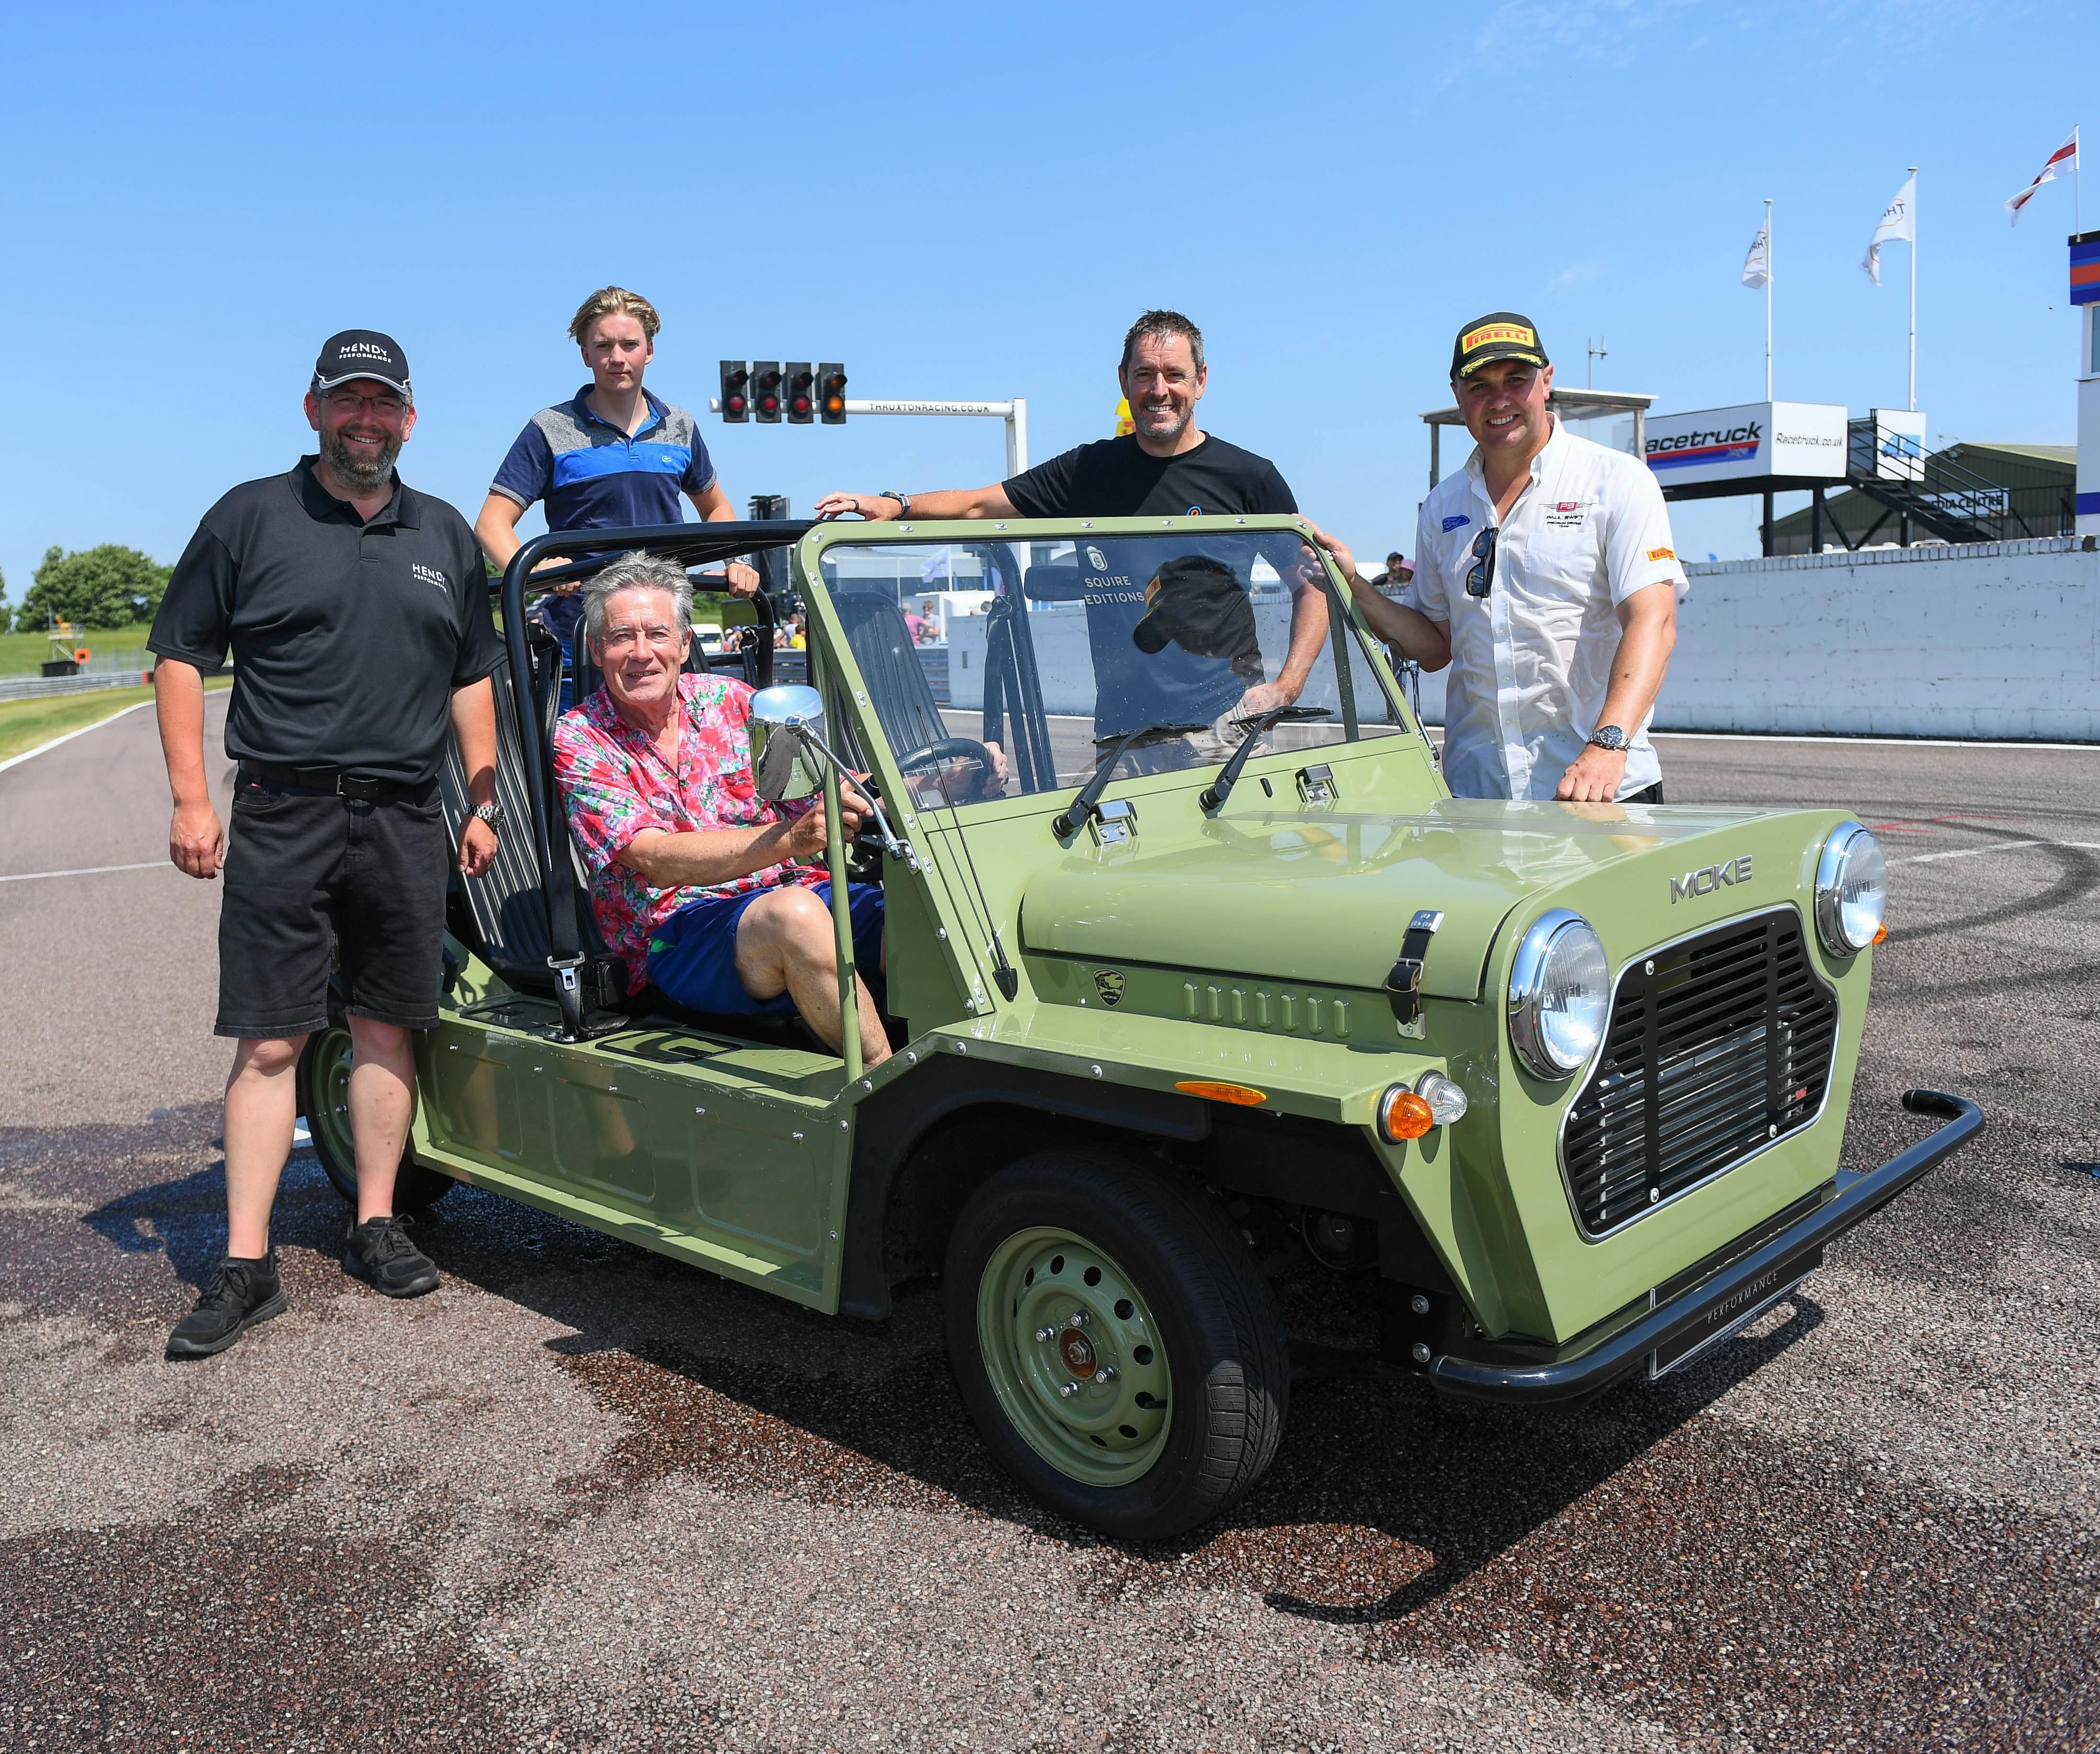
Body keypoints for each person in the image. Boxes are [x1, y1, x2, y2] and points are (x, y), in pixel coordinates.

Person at [150, 330, 506, 1359]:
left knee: (387, 1025)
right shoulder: (249, 517)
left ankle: (375, 1224)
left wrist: (479, 800)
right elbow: (179, 655)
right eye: (347, 402)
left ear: (408, 418)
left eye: (382, 404)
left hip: (405, 815)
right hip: (282, 811)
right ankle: (246, 1262)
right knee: (270, 1039)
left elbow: (470, 676)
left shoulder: (442, 533)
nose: (366, 419)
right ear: (313, 411)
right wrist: (189, 801)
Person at [815, 309, 1331, 757]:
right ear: (1122, 380)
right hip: (1122, 738)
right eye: (1144, 374)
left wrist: (1285, 688)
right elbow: (977, 505)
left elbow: (1312, 583)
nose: (1158, 390)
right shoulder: (1088, 470)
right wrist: (897, 505)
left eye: (1173, 375)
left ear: (1200, 380)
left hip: (1227, 733)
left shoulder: (1248, 477)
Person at [1324, 312, 1685, 803]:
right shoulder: (1441, 506)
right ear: (1456, 393)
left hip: (1597, 790)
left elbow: (1654, 621)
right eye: (1479, 385)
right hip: (1479, 794)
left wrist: (1608, 743)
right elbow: (1433, 648)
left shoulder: (1616, 480)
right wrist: (1354, 586)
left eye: (1516, 380)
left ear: (1547, 381)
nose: (1499, 400)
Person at [552, 554, 890, 1066]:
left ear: (685, 644)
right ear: (598, 650)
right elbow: (657, 858)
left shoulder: (731, 701)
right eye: (622, 637)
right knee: (795, 915)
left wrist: (918, 786)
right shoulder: (579, 738)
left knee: (916, 912)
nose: (641, 653)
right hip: (676, 933)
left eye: (657, 634)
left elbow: (816, 792)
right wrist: (792, 839)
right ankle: (888, 1087)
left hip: (796, 888)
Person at [476, 287, 760, 696]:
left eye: (629, 345)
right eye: (603, 345)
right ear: (585, 355)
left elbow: (716, 507)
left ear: (649, 351)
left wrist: (736, 559)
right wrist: (535, 573)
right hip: (581, 639)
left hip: (663, 635)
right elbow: (491, 522)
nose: (617, 358)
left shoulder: (680, 426)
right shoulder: (549, 428)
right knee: (577, 754)